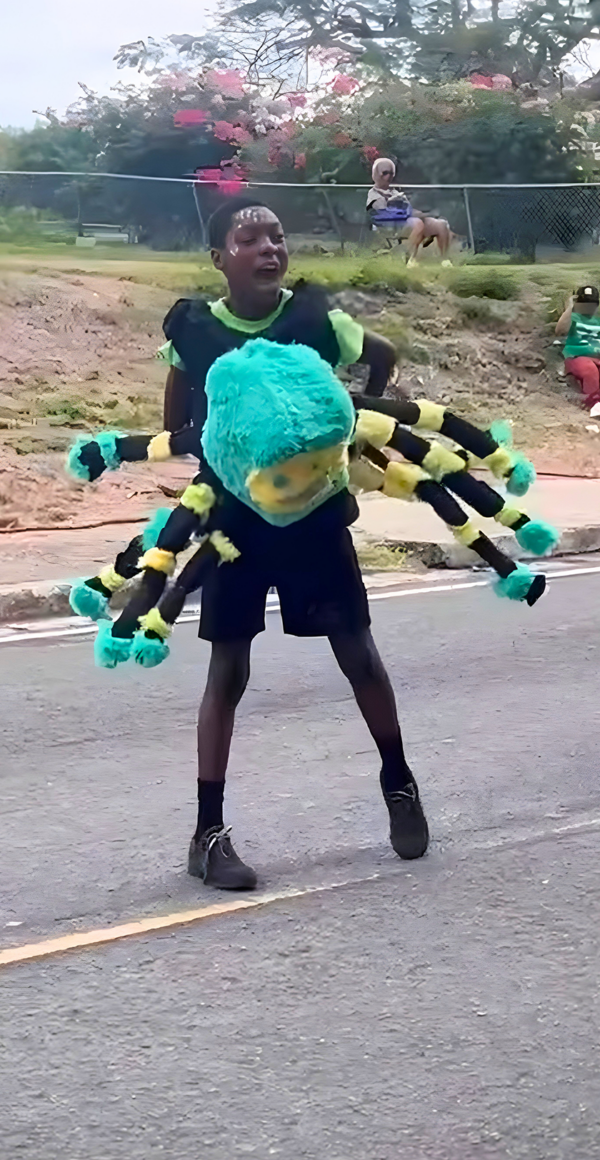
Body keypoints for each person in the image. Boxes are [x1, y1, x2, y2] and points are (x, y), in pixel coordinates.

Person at [160, 195, 429, 889]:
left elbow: (384, 356)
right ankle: (207, 834)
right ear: (220, 258)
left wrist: (345, 428)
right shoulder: (193, 332)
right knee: (228, 672)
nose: (269, 248)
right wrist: (217, 458)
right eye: (250, 239)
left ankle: (399, 784)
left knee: (358, 655)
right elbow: (175, 422)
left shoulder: (315, 320)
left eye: (277, 236)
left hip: (314, 517)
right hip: (236, 526)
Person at [366, 158, 453, 267]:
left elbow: (409, 209)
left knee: (441, 225)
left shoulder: (395, 192)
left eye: (391, 173)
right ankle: (411, 260)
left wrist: (421, 214)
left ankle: (444, 261)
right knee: (417, 223)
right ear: (376, 174)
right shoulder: (373, 195)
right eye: (385, 173)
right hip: (391, 227)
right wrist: (409, 214)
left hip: (406, 222)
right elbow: (383, 216)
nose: (388, 176)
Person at [555, 285, 600, 416]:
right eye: (585, 303)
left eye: (592, 304)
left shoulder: (597, 321)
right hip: (577, 358)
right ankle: (593, 403)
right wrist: (570, 308)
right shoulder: (572, 318)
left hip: (596, 356)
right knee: (589, 369)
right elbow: (560, 331)